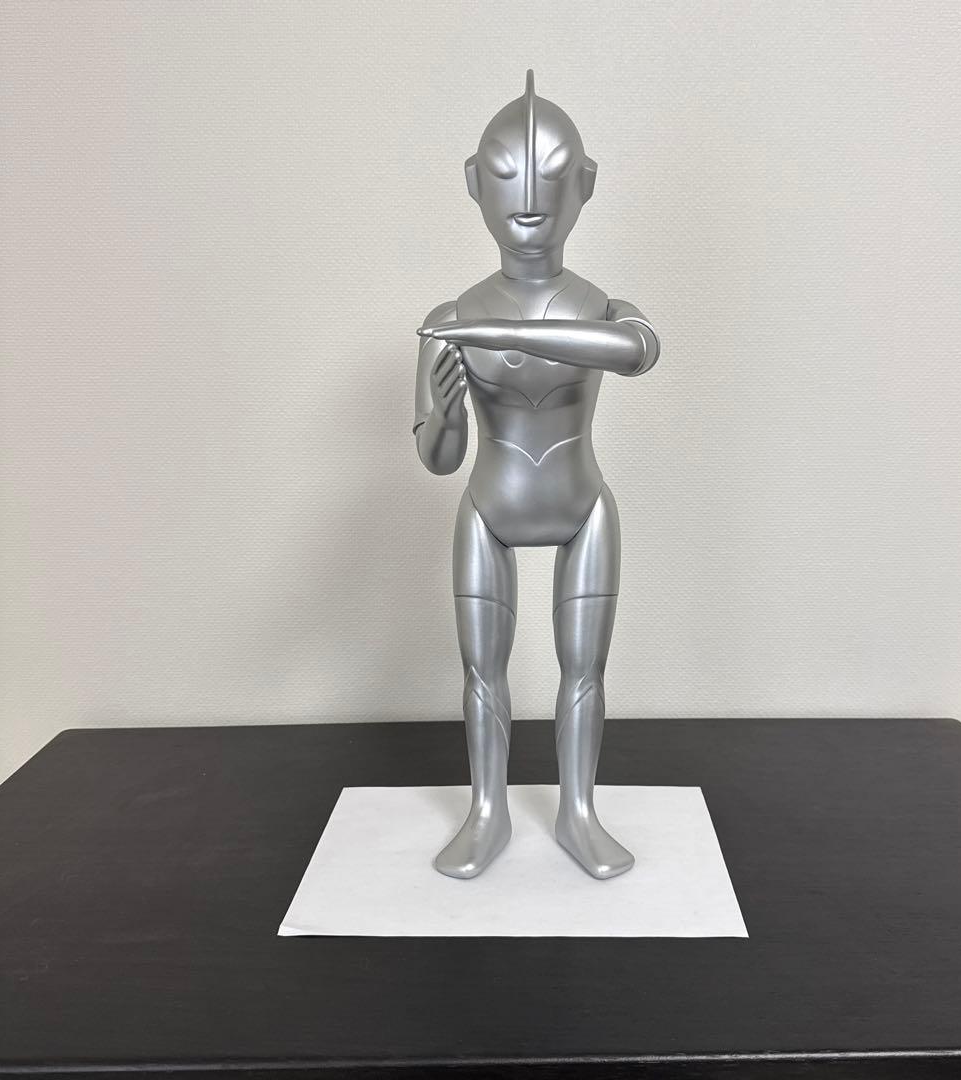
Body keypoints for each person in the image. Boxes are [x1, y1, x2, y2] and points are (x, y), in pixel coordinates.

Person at [413, 71, 660, 879]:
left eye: (551, 175)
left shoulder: (598, 308)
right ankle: (486, 811)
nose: (527, 201)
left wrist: (498, 330)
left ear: (584, 184)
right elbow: (439, 459)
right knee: (481, 671)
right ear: (473, 183)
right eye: (506, 174)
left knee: (584, 670)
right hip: (489, 511)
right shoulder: (449, 323)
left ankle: (577, 812)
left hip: (582, 510)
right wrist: (445, 412)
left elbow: (638, 352)